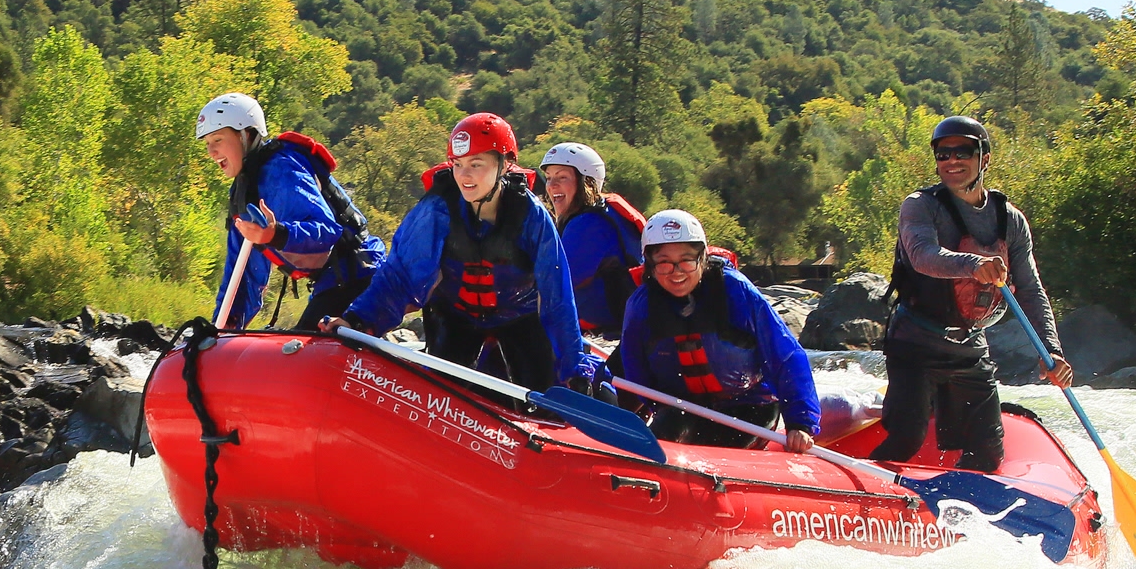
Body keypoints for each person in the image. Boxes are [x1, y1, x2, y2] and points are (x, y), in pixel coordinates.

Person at [320, 112, 602, 394]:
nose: (464, 176)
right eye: (458, 164)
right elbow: (399, 276)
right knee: (442, 395)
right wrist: (357, 320)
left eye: (476, 164)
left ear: (506, 166)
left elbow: (557, 297)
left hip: (520, 315)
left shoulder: (531, 216)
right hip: (456, 314)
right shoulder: (437, 209)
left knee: (540, 398)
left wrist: (574, 368)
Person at [872, 115, 1073, 472]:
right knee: (907, 438)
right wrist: (972, 263)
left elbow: (1030, 289)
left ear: (985, 158)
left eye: (963, 151)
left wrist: (1051, 351)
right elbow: (922, 256)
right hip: (915, 345)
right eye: (943, 154)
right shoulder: (920, 205)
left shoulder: (1010, 220)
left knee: (989, 454)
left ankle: (957, 517)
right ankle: (864, 511)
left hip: (969, 349)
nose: (952, 161)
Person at [618, 209, 820, 451]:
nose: (677, 271)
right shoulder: (641, 305)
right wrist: (649, 409)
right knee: (668, 429)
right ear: (649, 265)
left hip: (750, 408)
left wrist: (801, 423)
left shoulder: (736, 291)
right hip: (682, 408)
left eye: (686, 260)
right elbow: (634, 369)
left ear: (702, 258)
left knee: (723, 444)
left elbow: (786, 357)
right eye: (664, 263)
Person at [198, 92, 385, 330]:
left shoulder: (282, 169)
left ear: (246, 134)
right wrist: (224, 325)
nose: (211, 152)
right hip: (332, 282)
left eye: (218, 139)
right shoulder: (242, 193)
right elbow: (241, 274)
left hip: (360, 274)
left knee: (305, 350)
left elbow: (327, 231)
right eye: (207, 143)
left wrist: (277, 234)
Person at [538, 140, 645, 337]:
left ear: (586, 183)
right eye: (548, 178)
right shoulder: (598, 214)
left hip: (619, 330)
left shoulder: (588, 224)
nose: (551, 186)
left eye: (562, 177)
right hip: (616, 325)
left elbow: (553, 284)